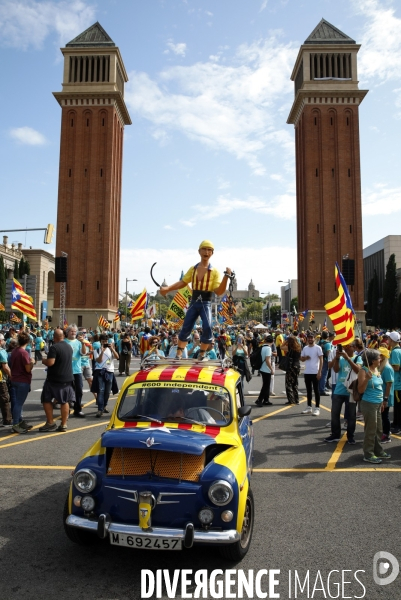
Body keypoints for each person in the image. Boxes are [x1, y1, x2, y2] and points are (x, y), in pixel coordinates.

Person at [160, 240, 232, 361]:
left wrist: (226, 277)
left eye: (209, 250)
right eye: (204, 249)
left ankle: (202, 353)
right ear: (199, 251)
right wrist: (167, 289)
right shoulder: (192, 269)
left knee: (208, 327)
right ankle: (179, 354)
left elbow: (219, 291)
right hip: (194, 302)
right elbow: (183, 282)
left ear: (212, 253)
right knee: (186, 327)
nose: (206, 252)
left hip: (206, 303)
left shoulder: (214, 272)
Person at [324, 342, 362, 444]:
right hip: (339, 390)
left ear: (353, 347)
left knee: (351, 415)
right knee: (335, 414)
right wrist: (337, 358)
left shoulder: (358, 358)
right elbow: (336, 370)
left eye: (348, 347)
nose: (345, 349)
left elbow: (358, 369)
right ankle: (335, 434)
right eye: (344, 347)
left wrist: (348, 359)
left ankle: (350, 436)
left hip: (351, 391)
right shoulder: (340, 358)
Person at [39, 328, 76, 432]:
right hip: (67, 378)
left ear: (54, 338)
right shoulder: (69, 347)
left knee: (46, 399)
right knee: (64, 401)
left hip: (54, 379)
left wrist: (43, 360)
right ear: (63, 336)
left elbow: (51, 362)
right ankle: (64, 424)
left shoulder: (54, 348)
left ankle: (50, 422)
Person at [357, 348, 390, 464]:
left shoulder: (376, 369)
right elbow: (360, 390)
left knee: (378, 429)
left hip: (377, 403)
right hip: (369, 404)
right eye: (378, 358)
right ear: (372, 360)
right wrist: (366, 379)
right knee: (370, 430)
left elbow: (380, 388)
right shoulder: (363, 371)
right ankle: (368, 454)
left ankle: (378, 450)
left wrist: (382, 402)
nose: (380, 359)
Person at [9, 330, 35, 433]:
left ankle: (19, 421)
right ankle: (16, 424)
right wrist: (32, 362)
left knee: (16, 403)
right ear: (27, 342)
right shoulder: (24, 353)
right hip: (22, 380)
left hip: (14, 378)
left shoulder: (15, 351)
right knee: (19, 403)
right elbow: (28, 369)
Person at [92, 333, 119, 417]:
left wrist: (113, 349)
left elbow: (117, 357)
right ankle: (100, 409)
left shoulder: (111, 349)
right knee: (101, 390)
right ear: (100, 342)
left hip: (109, 372)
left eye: (106, 341)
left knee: (107, 391)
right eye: (103, 341)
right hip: (100, 372)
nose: (105, 343)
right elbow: (98, 360)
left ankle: (104, 406)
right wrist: (102, 352)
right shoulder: (96, 350)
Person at [64, 324, 87, 418]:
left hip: (77, 370)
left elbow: (83, 353)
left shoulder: (79, 342)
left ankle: (77, 410)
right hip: (66, 370)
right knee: (66, 392)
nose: (73, 333)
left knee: (79, 390)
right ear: (67, 332)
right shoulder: (64, 342)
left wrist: (83, 343)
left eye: (75, 331)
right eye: (71, 331)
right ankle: (66, 410)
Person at [300, 332, 323, 416]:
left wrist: (319, 371)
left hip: (315, 372)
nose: (310, 339)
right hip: (307, 372)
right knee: (308, 390)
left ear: (314, 338)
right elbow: (301, 359)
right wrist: (305, 358)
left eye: (311, 338)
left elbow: (321, 360)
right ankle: (309, 407)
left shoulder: (318, 348)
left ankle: (317, 408)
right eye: (309, 338)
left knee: (316, 391)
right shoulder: (305, 348)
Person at [378, 346, 394, 444]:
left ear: (383, 357)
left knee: (385, 416)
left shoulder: (387, 368)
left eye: (379, 355)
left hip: (385, 396)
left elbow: (389, 384)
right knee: (382, 416)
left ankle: (386, 435)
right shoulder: (381, 367)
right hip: (381, 396)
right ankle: (384, 432)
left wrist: (385, 399)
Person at [281, 335, 301, 405]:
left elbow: (281, 347)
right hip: (297, 366)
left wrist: (285, 341)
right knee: (295, 383)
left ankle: (291, 399)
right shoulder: (299, 348)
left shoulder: (289, 348)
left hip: (290, 366)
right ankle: (297, 399)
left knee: (288, 383)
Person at [388, 331, 401, 434]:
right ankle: (396, 422)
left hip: (398, 383)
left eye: (388, 339)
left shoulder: (395, 352)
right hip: (397, 382)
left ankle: (398, 426)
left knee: (398, 406)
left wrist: (387, 366)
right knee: (397, 405)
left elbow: (396, 367)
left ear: (391, 340)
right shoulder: (397, 350)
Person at [255, 334, 273, 406]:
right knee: (266, 385)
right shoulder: (268, 348)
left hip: (262, 368)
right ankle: (259, 400)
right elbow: (267, 360)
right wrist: (271, 369)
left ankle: (266, 399)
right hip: (266, 369)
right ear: (272, 341)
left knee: (266, 385)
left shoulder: (262, 347)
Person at [0, 334, 12, 427]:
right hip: (1, 379)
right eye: (3, 340)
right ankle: (7, 420)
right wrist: (11, 376)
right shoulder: (2, 352)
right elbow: (5, 367)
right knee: (4, 399)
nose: (4, 341)